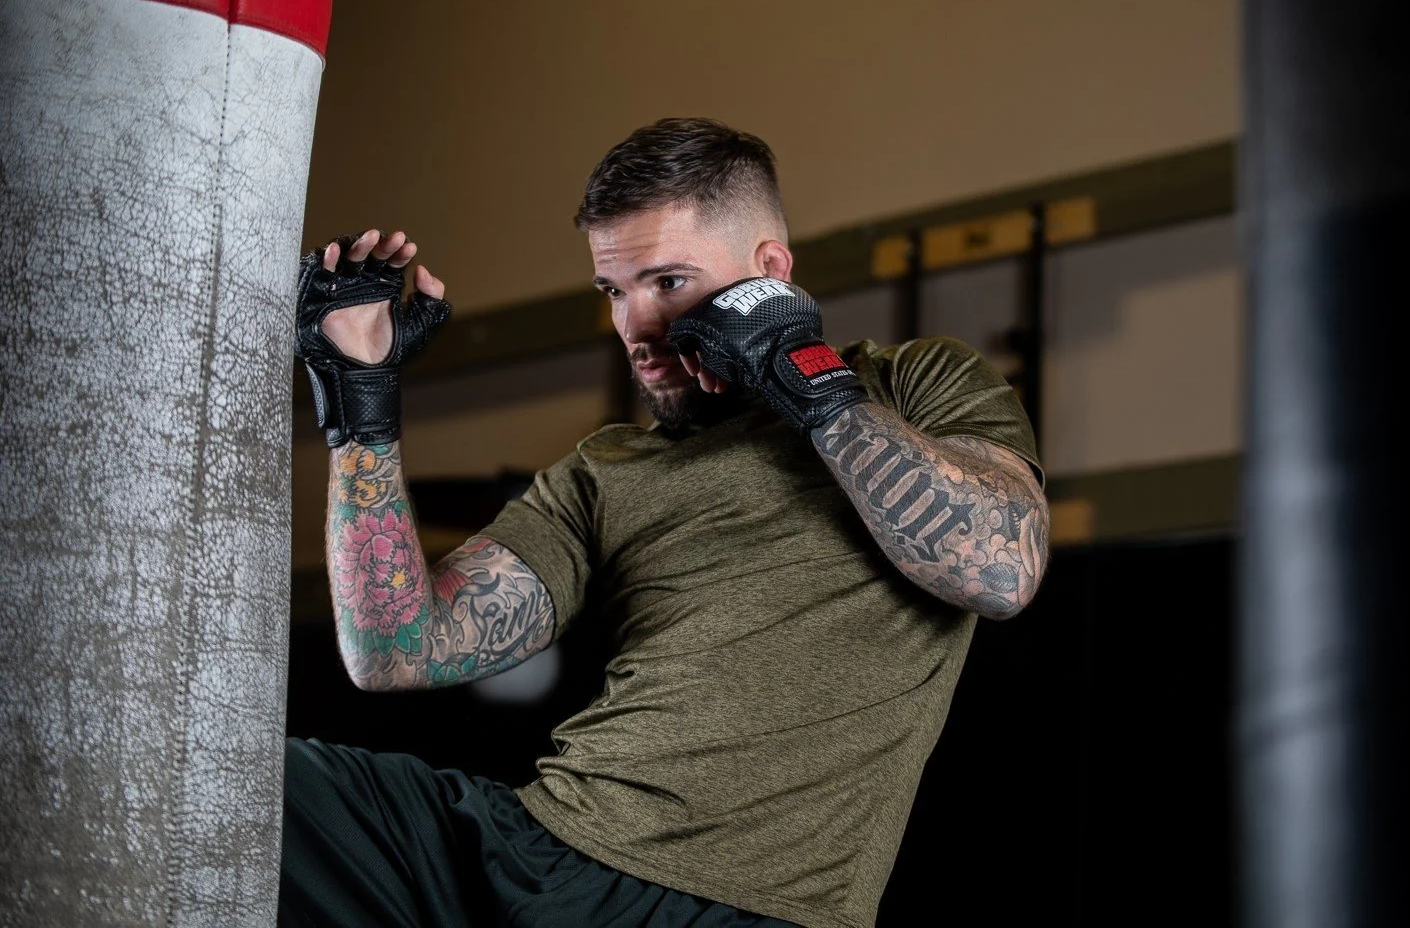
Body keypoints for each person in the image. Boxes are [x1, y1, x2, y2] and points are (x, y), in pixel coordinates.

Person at [282, 118, 1050, 928]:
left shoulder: (915, 383)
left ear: (769, 274)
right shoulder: (603, 471)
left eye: (668, 283)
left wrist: (809, 379)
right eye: (614, 291)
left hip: (727, 904)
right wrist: (363, 404)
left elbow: (997, 573)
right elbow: (395, 650)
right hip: (530, 843)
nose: (636, 328)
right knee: (242, 783)